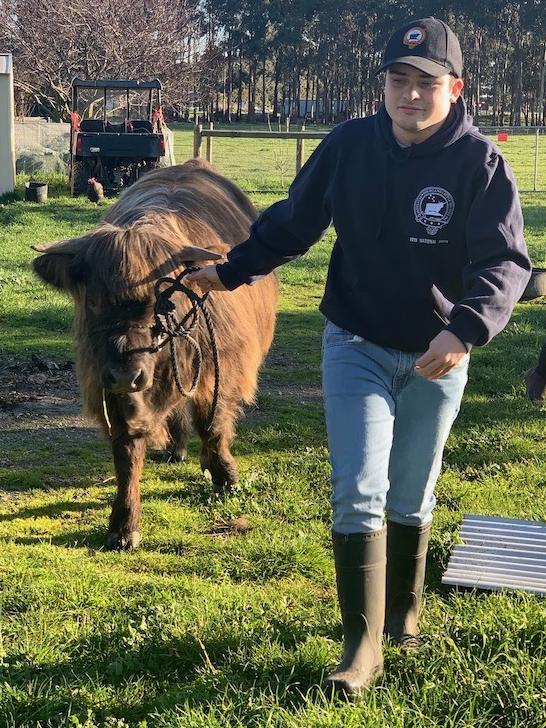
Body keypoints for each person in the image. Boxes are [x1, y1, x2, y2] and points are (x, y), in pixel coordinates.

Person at [187, 17, 531, 697]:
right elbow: (293, 223)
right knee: (360, 488)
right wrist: (229, 272)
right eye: (398, 80)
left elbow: (506, 263)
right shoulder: (348, 145)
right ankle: (361, 646)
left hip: (440, 356)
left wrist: (463, 331)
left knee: (412, 490)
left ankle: (403, 613)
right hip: (356, 344)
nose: (409, 94)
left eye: (425, 83)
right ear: (383, 84)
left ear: (454, 89)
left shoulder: (480, 164)